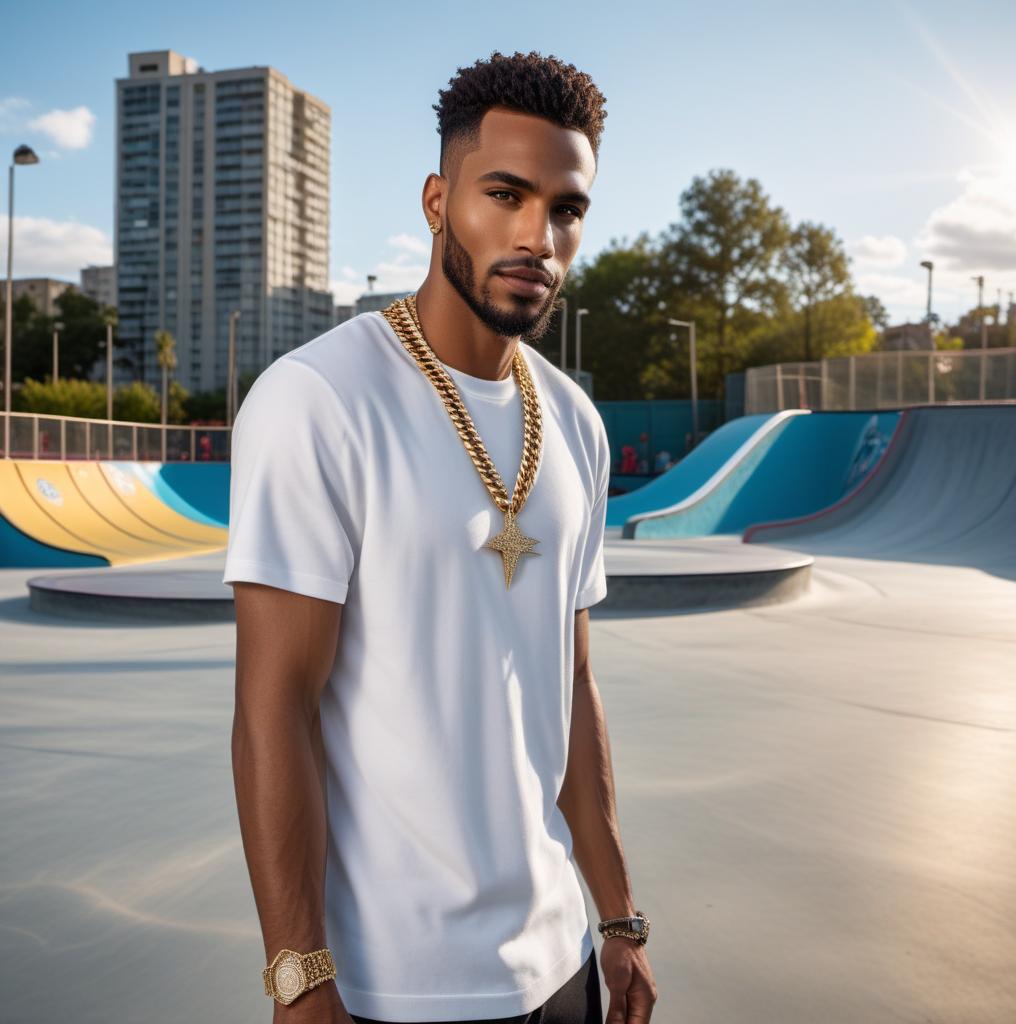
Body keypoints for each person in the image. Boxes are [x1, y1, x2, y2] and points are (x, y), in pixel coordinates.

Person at [223, 51, 658, 1024]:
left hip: (560, 969)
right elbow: (272, 707)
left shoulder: (576, 423)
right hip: (394, 986)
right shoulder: (318, 399)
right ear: (436, 198)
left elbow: (572, 693)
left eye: (564, 208)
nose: (533, 235)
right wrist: (300, 978)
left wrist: (618, 920)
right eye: (503, 193)